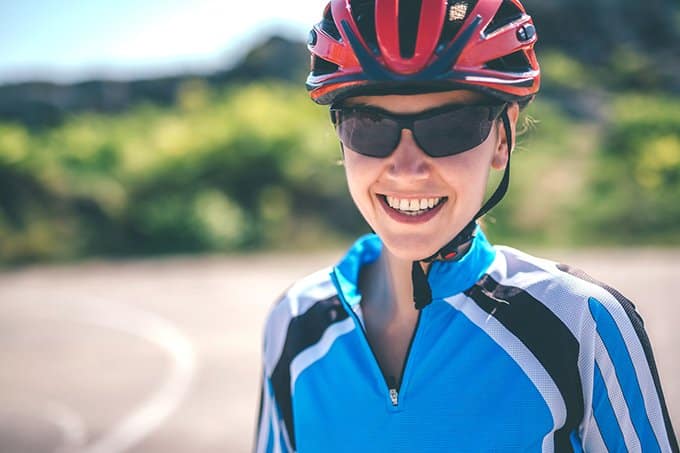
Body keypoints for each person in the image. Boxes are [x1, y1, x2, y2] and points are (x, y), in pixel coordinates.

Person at [254, 0, 679, 451]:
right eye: (369, 124)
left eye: (450, 126)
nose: (408, 168)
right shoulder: (295, 324)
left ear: (502, 137)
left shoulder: (581, 323)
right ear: (340, 133)